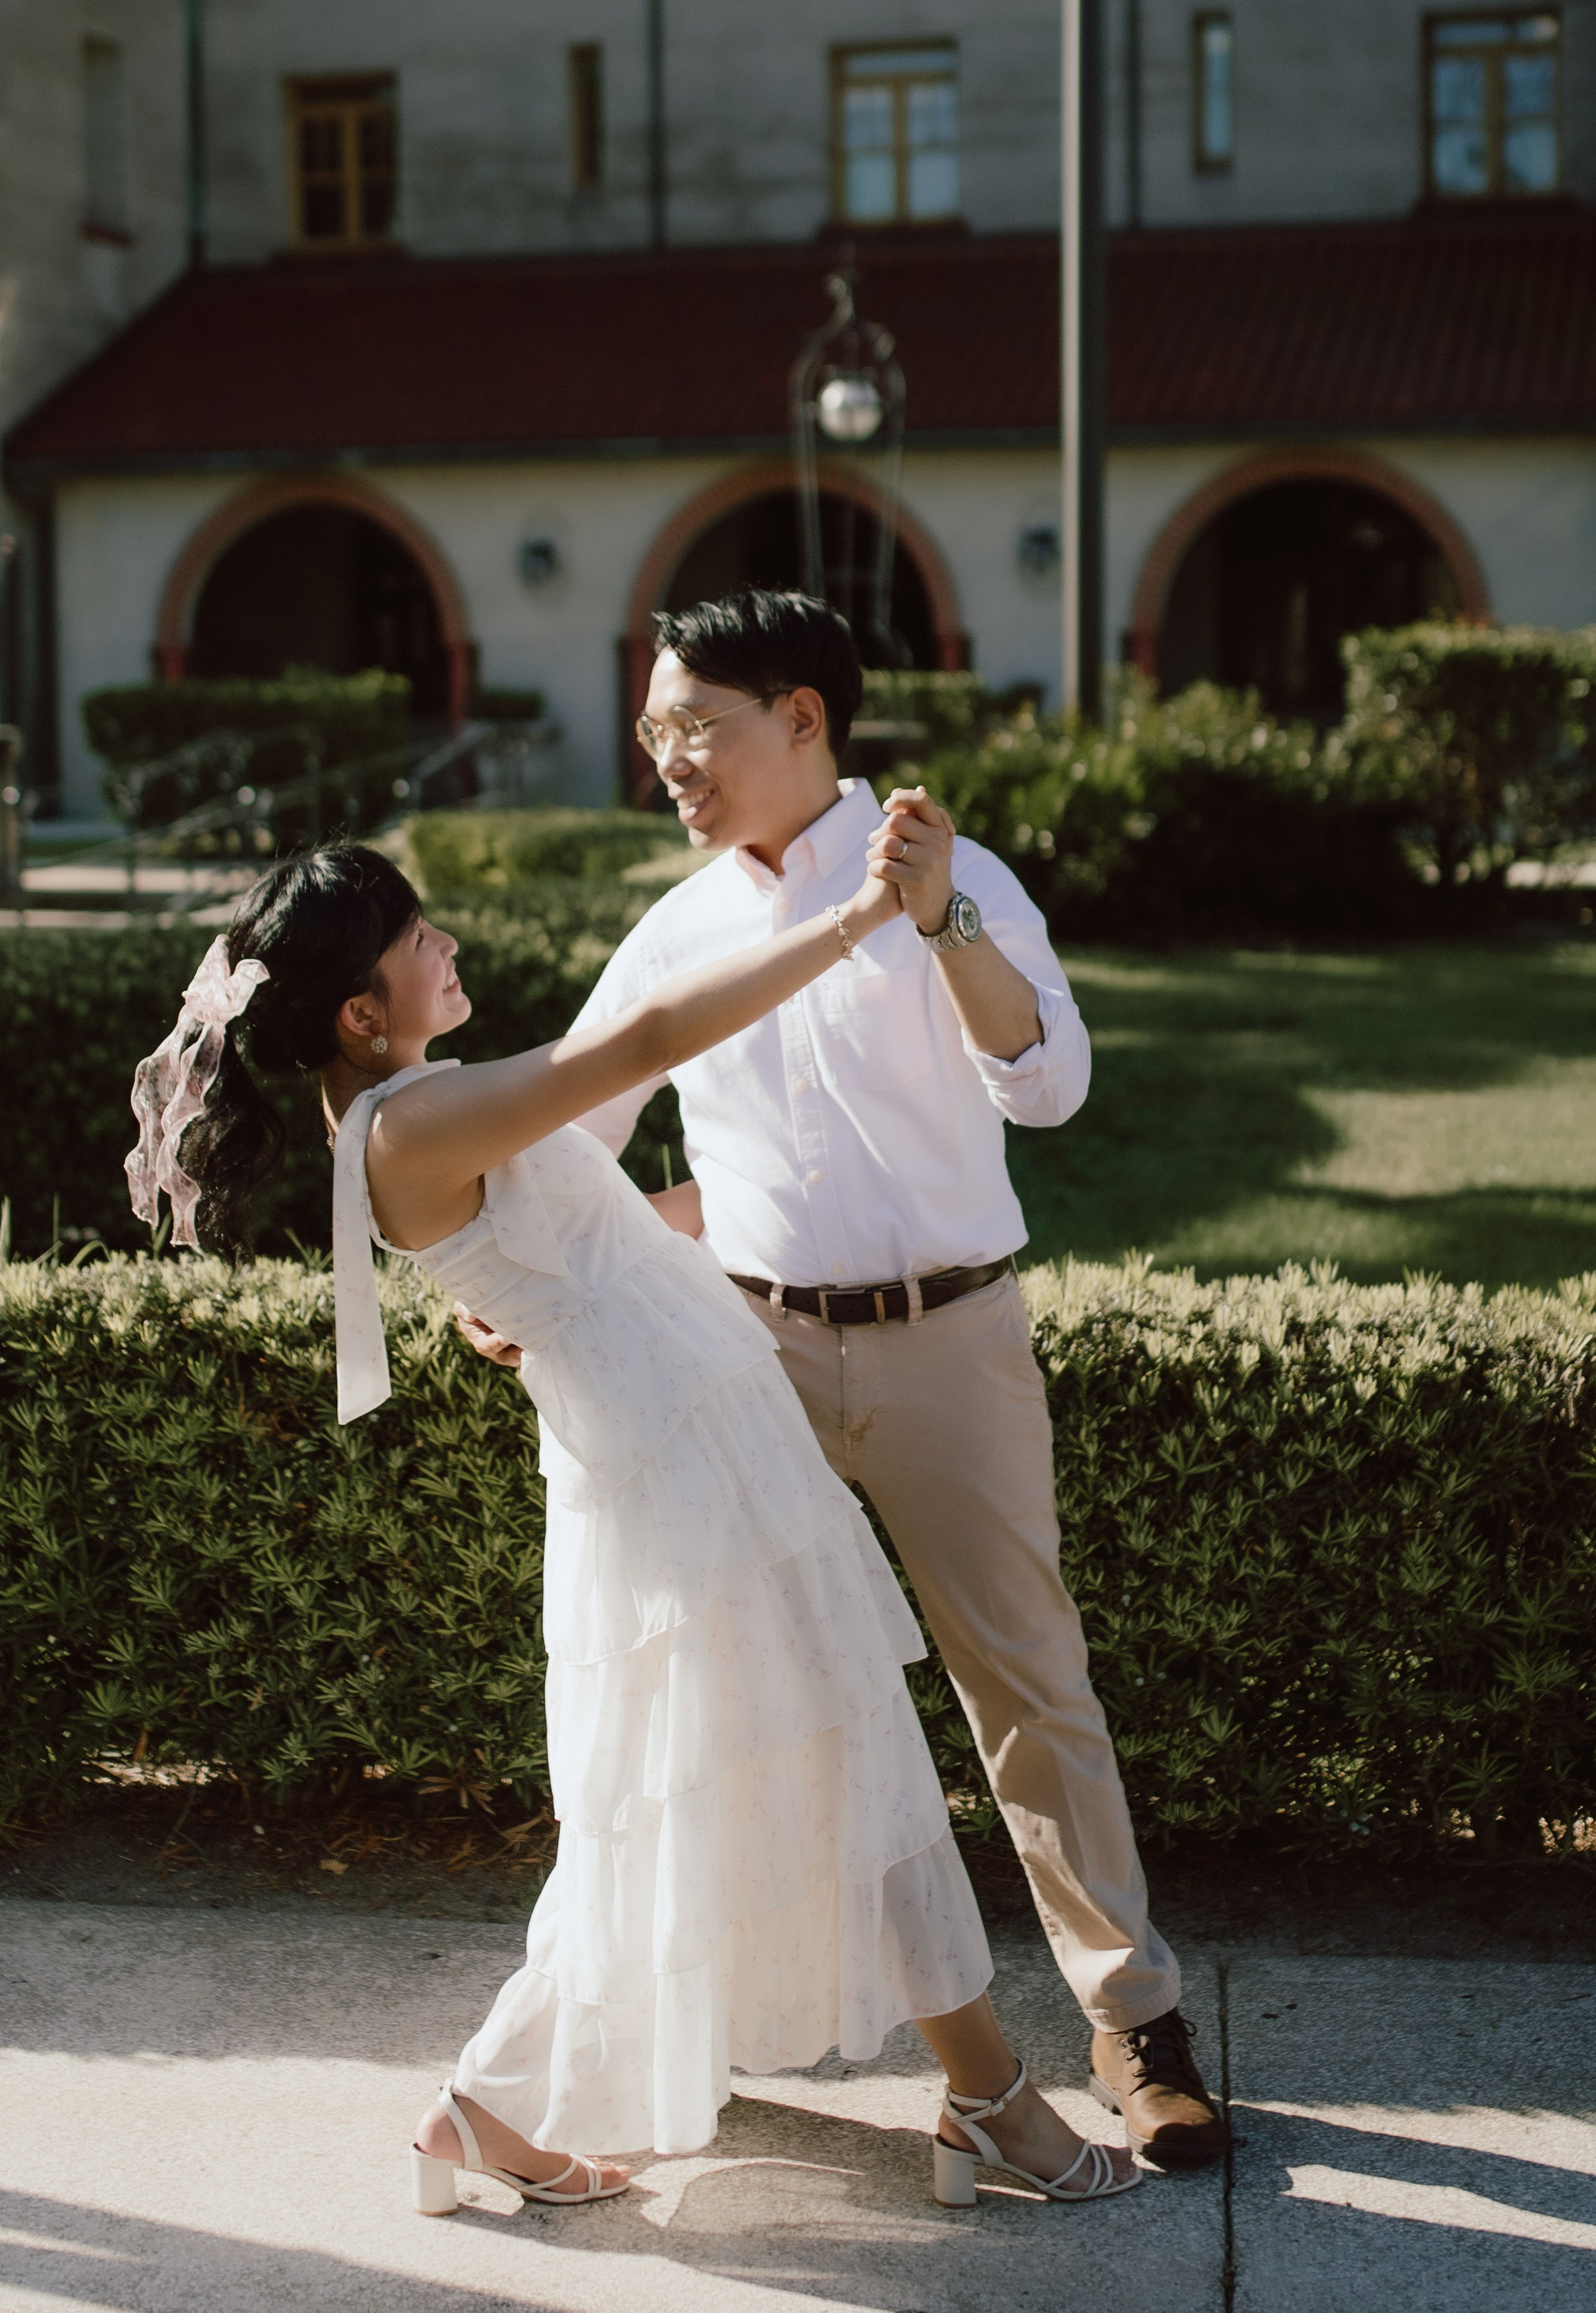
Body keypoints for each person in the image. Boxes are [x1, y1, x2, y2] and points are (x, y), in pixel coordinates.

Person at [125, 842, 1140, 2213]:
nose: (447, 948)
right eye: (420, 940)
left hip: (701, 1448)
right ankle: (991, 2099)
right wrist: (851, 921)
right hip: (680, 1476)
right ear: (362, 1012)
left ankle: (487, 2110)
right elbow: (646, 1038)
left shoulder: (417, 1104)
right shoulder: (412, 1127)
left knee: (719, 1795)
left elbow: (611, 1225)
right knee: (845, 1756)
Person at [457, 589, 1226, 2171]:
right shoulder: (674, 928)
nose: (669, 762)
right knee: (744, 1694)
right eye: (655, 733)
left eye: (698, 730)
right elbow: (570, 1147)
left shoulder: (958, 874)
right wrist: (507, 1283)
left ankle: (1132, 2027)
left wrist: (938, 920)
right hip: (748, 1357)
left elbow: (1053, 1089)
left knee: (1025, 1685)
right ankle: (711, 2019)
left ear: (803, 718)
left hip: (951, 1341)